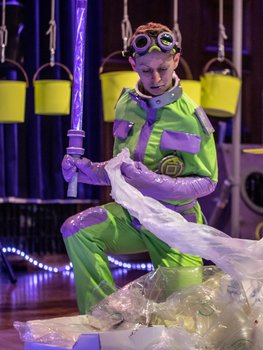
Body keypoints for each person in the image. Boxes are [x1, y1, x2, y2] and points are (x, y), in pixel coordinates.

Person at [61, 22, 218, 314]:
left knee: (183, 319)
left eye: (163, 68)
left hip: (175, 226)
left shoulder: (192, 118)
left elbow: (207, 182)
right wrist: (82, 171)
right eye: (146, 70)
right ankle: (105, 317)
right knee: (77, 230)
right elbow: (117, 171)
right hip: (133, 217)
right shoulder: (125, 104)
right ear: (133, 63)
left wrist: (152, 180)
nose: (156, 78)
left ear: (176, 59)